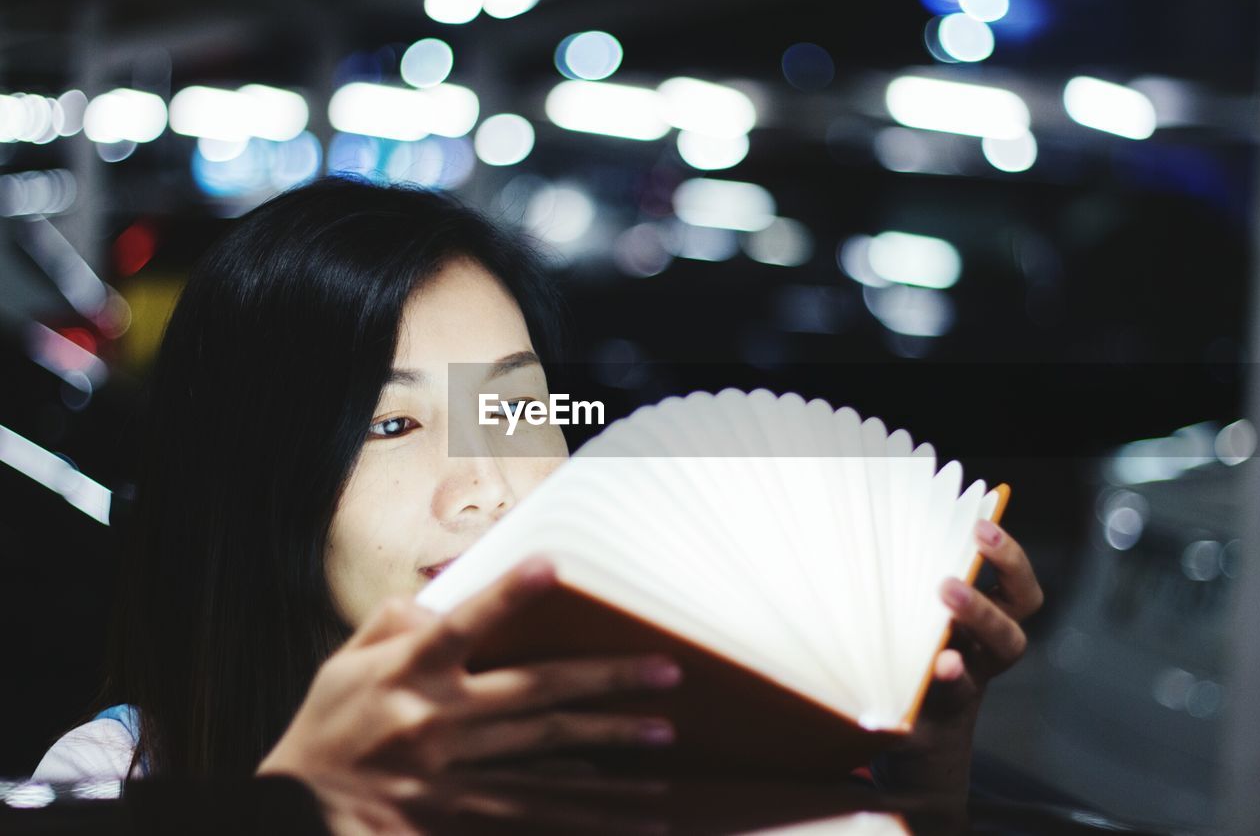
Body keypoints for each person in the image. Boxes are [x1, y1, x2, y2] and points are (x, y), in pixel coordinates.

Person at [32, 176, 1043, 828]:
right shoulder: (113, 778)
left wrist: (922, 796)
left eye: (510, 409)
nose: (487, 484)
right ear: (252, 482)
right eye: (389, 425)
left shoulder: (668, 748)